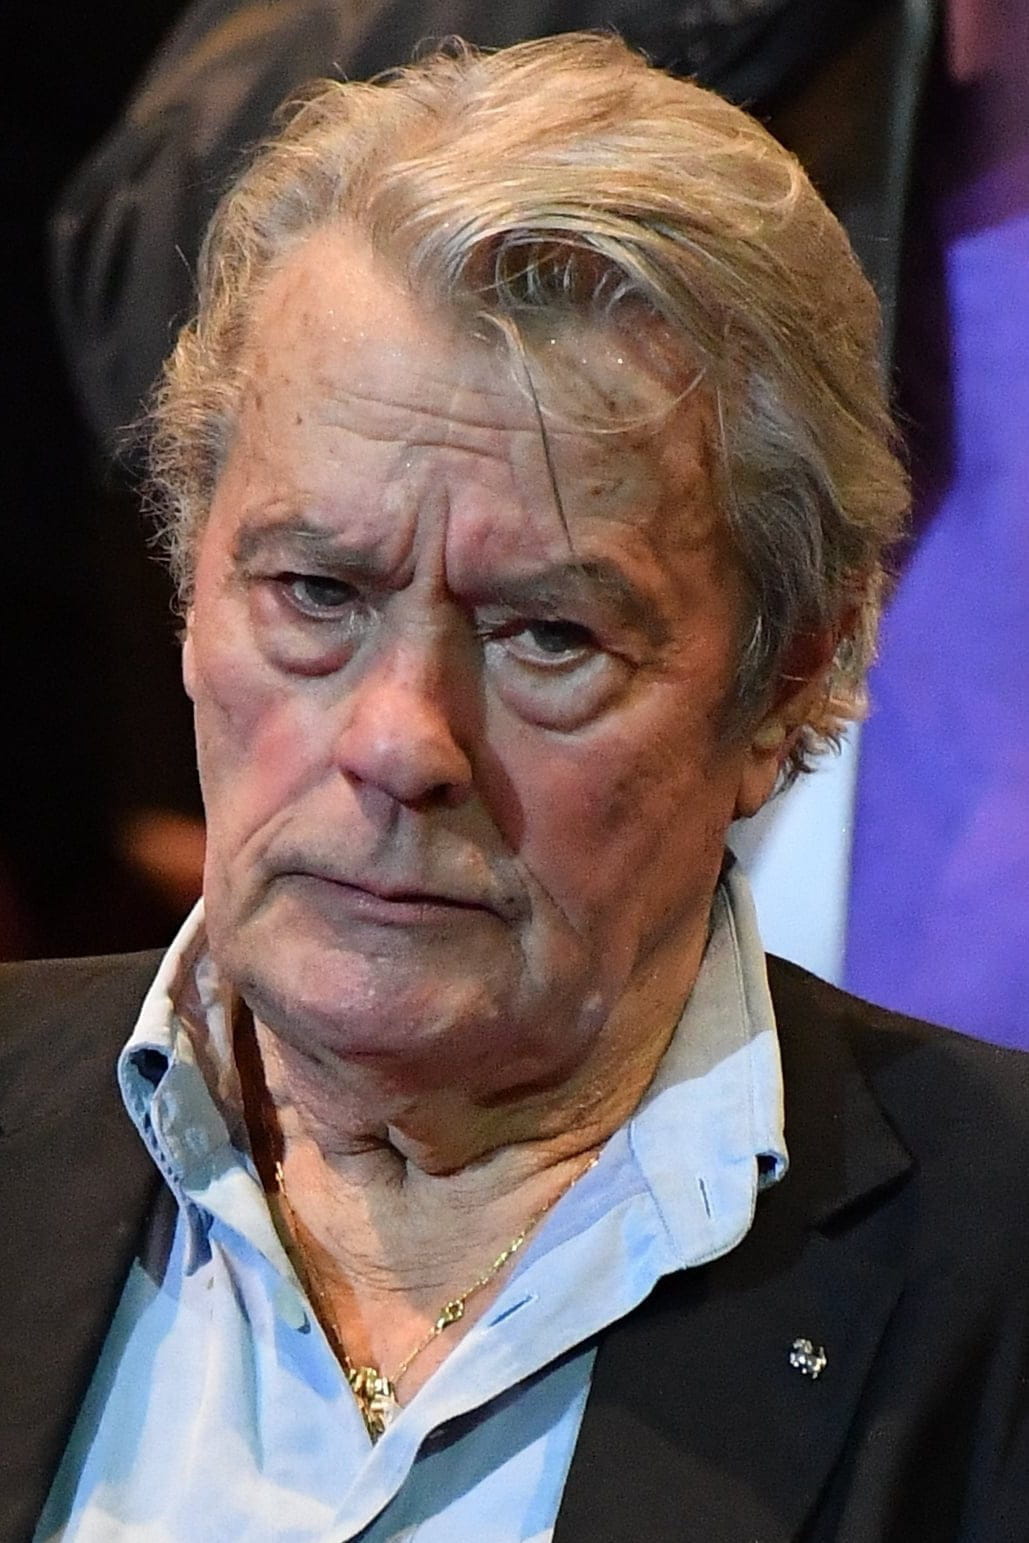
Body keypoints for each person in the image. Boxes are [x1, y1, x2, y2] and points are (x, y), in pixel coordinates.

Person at [2, 32, 1027, 1543]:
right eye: (315, 593)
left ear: (787, 684)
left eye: (547, 634)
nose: (401, 741)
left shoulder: (993, 1282)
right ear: (188, 585)